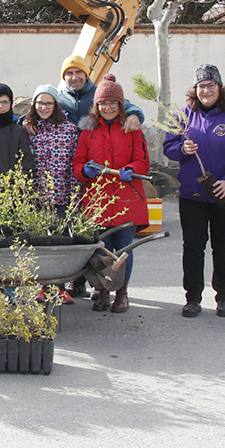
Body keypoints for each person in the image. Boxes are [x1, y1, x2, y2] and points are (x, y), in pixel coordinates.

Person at [162, 65, 225, 319]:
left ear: (219, 88)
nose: (205, 90)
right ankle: (192, 298)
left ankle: (223, 297)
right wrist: (182, 149)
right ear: (195, 90)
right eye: (201, 86)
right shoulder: (182, 116)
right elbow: (168, 148)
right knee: (193, 246)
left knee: (223, 245)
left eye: (210, 85)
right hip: (192, 195)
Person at [72, 74, 150, 314]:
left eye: (113, 103)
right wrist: (84, 171)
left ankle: (122, 293)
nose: (107, 108)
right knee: (101, 249)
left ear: (121, 105)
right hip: (98, 200)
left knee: (124, 249)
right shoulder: (88, 132)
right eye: (103, 103)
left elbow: (143, 162)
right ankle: (103, 291)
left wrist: (132, 170)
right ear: (96, 106)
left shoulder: (132, 130)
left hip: (126, 199)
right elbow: (78, 163)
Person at [23, 85, 80, 216]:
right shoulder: (28, 129)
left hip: (62, 199)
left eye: (49, 103)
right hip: (35, 199)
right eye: (40, 103)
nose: (44, 108)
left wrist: (74, 199)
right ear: (34, 104)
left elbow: (73, 165)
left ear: (56, 105)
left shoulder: (69, 130)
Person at [52, 54, 145, 130]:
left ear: (86, 74)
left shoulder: (100, 94)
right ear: (64, 77)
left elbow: (124, 104)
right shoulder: (58, 99)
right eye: (69, 73)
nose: (74, 77)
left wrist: (134, 115)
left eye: (79, 72)